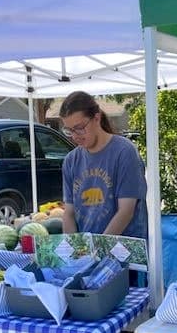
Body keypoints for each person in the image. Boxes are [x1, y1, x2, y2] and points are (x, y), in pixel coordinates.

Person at [59, 91, 148, 240]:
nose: (75, 136)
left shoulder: (125, 151)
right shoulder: (70, 160)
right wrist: (74, 248)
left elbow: (125, 211)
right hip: (88, 253)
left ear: (97, 118)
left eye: (80, 128)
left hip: (125, 253)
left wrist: (98, 249)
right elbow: (69, 213)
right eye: (69, 130)